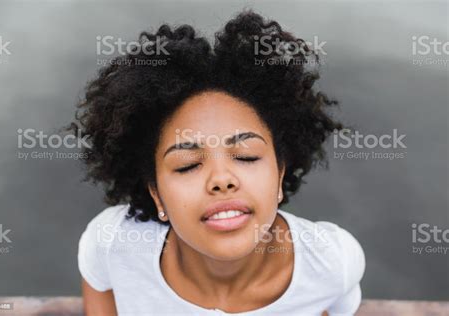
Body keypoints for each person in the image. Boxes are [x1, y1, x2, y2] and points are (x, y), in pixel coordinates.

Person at [71, 9, 366, 315]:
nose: (221, 179)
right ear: (156, 194)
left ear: (280, 174)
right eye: (187, 164)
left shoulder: (332, 262)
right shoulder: (112, 244)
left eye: (246, 156)